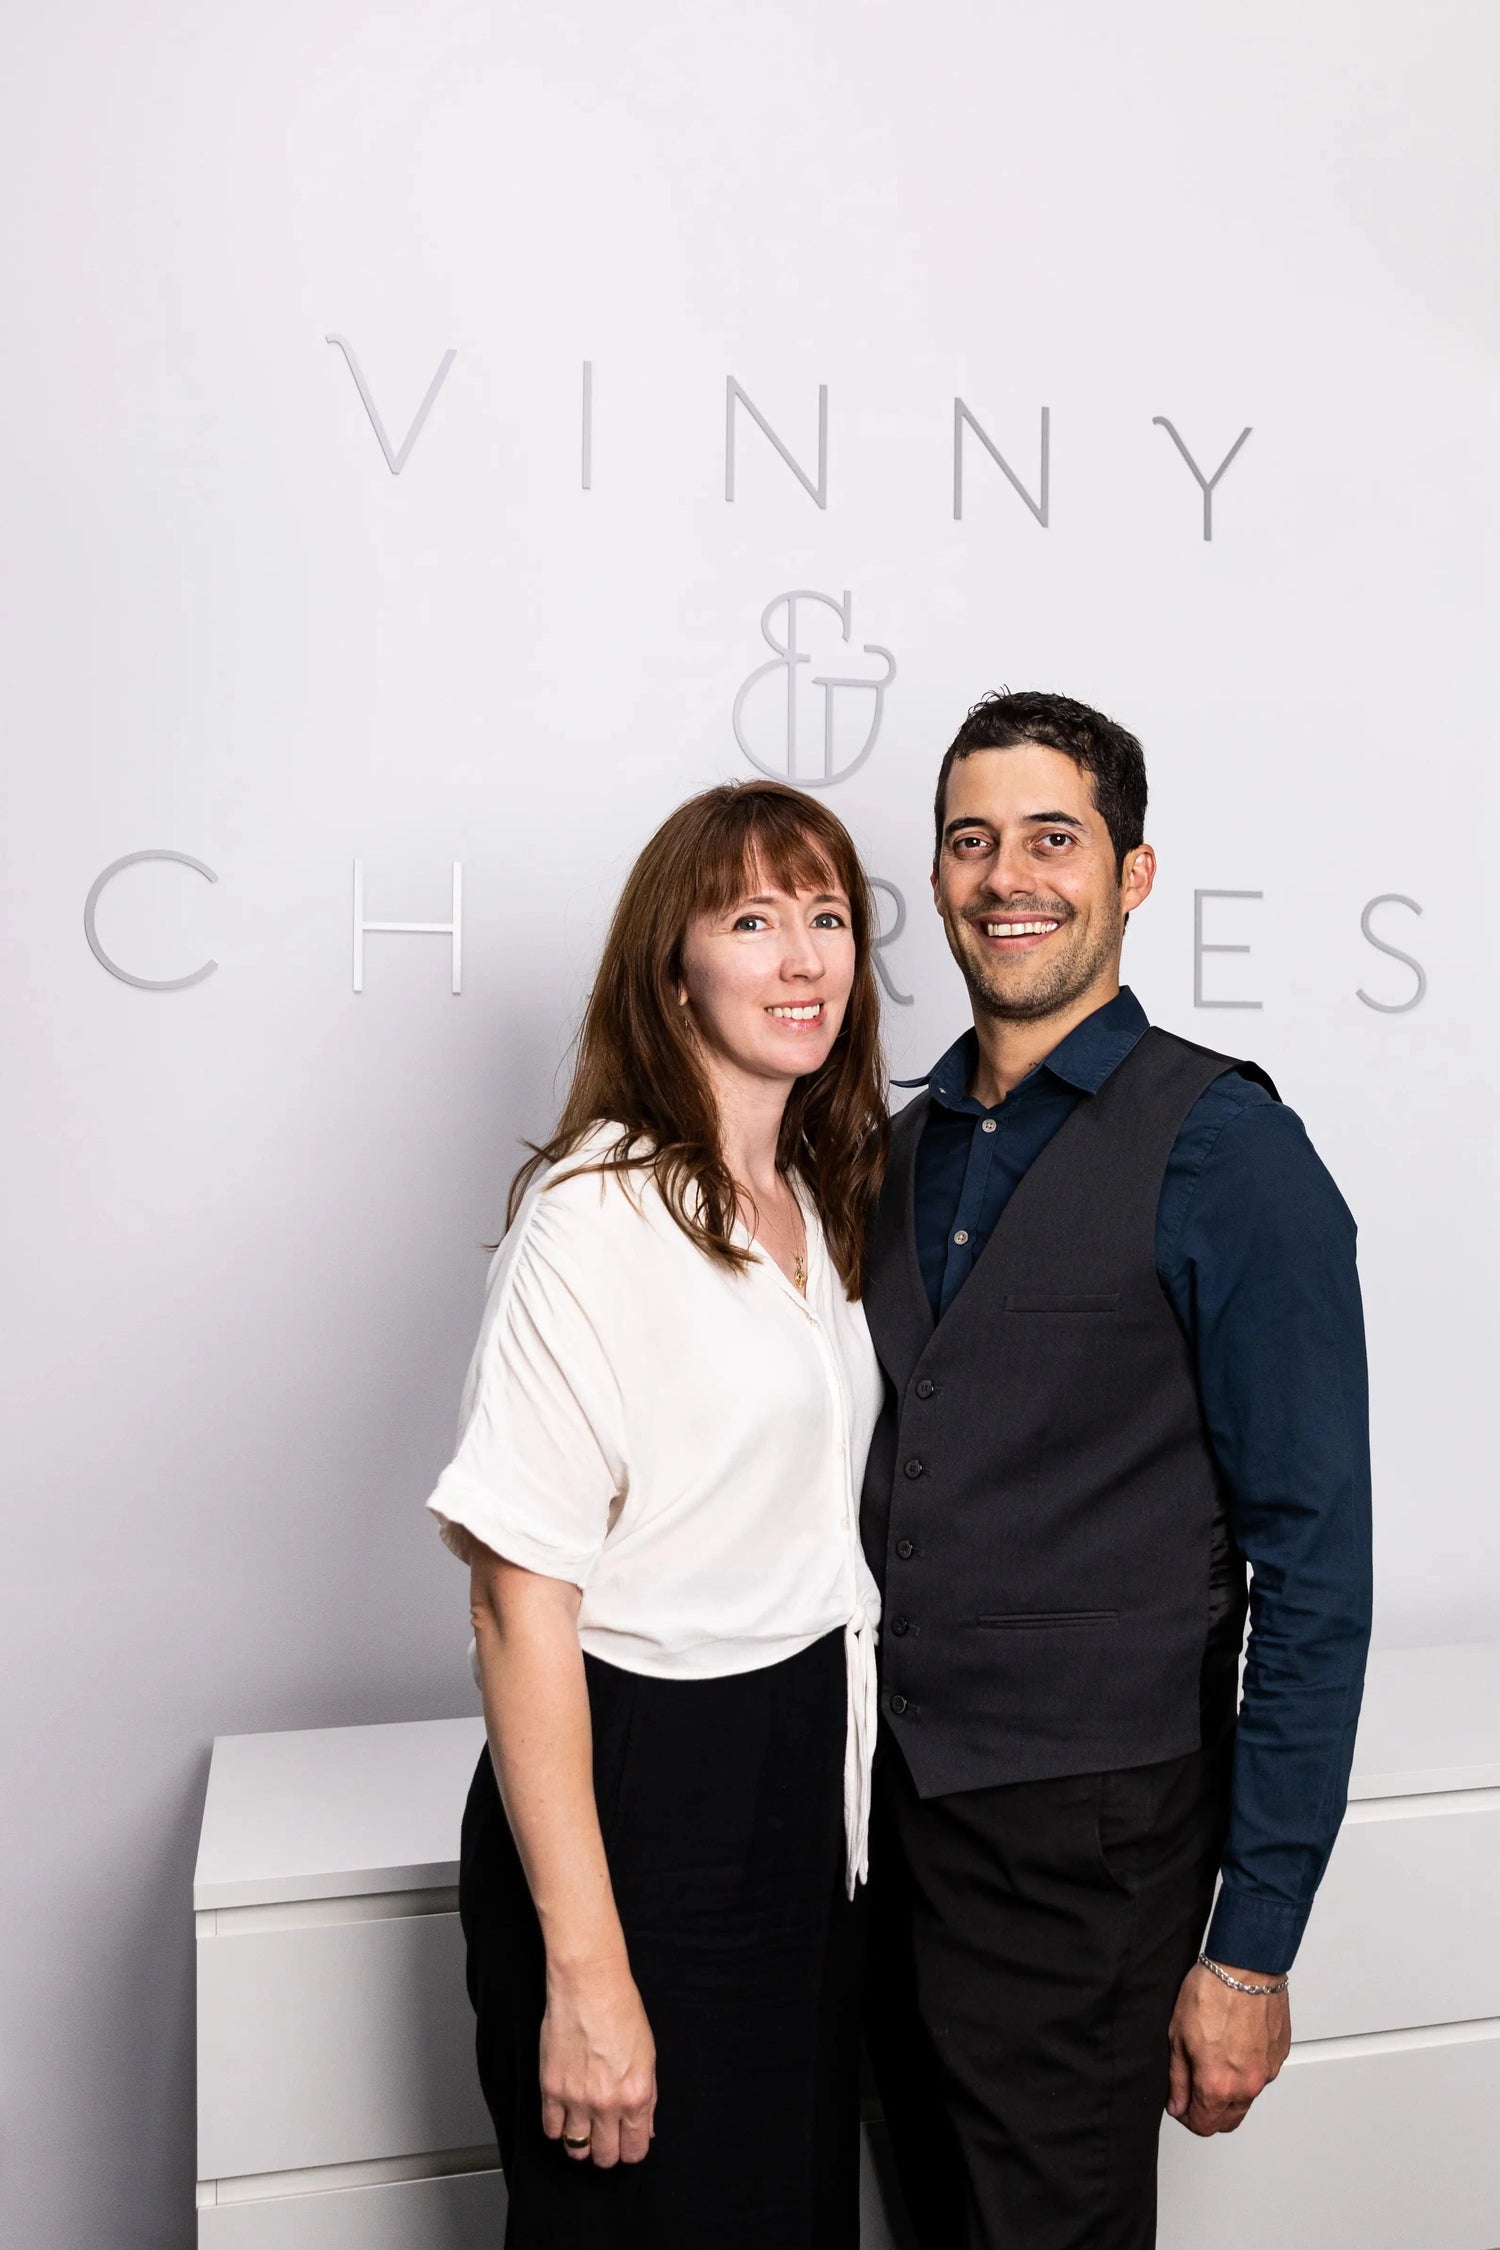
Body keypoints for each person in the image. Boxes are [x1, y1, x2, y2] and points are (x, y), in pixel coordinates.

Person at [860, 691, 1373, 2250]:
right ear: (937, 875)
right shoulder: (896, 1147)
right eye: (972, 840)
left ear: (1132, 873)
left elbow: (1315, 1569)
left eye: (1053, 838)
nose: (1007, 875)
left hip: (1095, 1850)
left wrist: (1252, 1944)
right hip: (889, 1833)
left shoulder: (1230, 1149)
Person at [423, 779, 889, 2250]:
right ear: (671, 968)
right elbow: (514, 1602)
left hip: (808, 1790)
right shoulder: (594, 1217)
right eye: (752, 920)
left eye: (827, 916)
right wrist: (587, 1973)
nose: (803, 958)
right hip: (647, 1796)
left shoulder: (815, 1190)